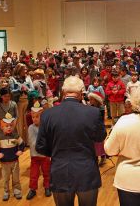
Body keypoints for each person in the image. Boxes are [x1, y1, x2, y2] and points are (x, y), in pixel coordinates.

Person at [36, 76, 107, 206]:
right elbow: (100, 137)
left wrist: (57, 151)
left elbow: (40, 146)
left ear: (63, 92)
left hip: (60, 171)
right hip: (87, 172)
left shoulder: (47, 114)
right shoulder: (93, 112)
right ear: (81, 92)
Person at [0, 112, 25, 201]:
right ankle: (6, 191)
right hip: (4, 163)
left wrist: (20, 150)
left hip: (15, 162)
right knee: (5, 179)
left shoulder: (16, 136)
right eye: (6, 126)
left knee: (16, 178)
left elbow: (22, 144)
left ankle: (17, 190)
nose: (9, 127)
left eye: (11, 125)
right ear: (2, 127)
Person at [26, 102, 51, 200]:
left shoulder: (46, 127)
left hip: (45, 156)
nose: (34, 119)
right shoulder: (31, 128)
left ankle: (47, 186)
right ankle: (32, 189)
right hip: (35, 156)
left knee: (47, 172)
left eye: (37, 116)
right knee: (34, 173)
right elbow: (32, 142)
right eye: (33, 117)